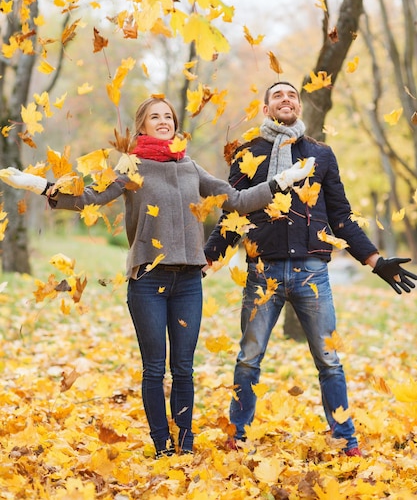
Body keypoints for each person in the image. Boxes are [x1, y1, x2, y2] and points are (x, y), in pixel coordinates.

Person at [0, 94, 314, 459]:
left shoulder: (191, 167)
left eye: (168, 116)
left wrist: (281, 181)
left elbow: (238, 200)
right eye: (155, 117)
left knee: (183, 368)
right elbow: (90, 197)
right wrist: (40, 186)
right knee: (154, 368)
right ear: (143, 126)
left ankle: (185, 445)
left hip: (188, 284)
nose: (164, 121)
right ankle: (162, 446)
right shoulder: (132, 166)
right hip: (147, 281)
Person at [204, 81, 416, 457]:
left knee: (329, 360)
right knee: (248, 357)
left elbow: (341, 218)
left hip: (312, 274)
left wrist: (375, 261)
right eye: (278, 96)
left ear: (298, 106)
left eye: (292, 95)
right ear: (267, 108)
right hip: (262, 273)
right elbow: (232, 215)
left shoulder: (321, 154)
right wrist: (206, 262)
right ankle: (238, 435)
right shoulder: (247, 153)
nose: (286, 99)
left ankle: (345, 438)